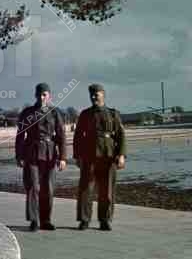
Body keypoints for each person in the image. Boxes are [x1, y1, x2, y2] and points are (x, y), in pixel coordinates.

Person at [74, 83, 127, 231]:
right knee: (85, 189)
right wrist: (77, 156)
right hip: (89, 155)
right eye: (91, 95)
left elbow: (121, 135)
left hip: (108, 155)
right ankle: (84, 220)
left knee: (107, 190)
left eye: (96, 94)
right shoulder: (85, 114)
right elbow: (78, 136)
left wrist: (121, 155)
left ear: (103, 94)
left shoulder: (113, 114)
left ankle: (105, 220)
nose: (93, 97)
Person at [15, 83, 67, 231]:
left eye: (44, 94)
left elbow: (62, 136)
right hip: (31, 153)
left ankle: (46, 220)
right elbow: (20, 136)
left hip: (50, 154)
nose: (41, 97)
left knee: (48, 189)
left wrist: (63, 158)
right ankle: (34, 220)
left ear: (49, 96)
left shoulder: (56, 113)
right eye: (39, 94)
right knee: (32, 187)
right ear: (35, 95)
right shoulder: (27, 112)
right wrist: (19, 156)